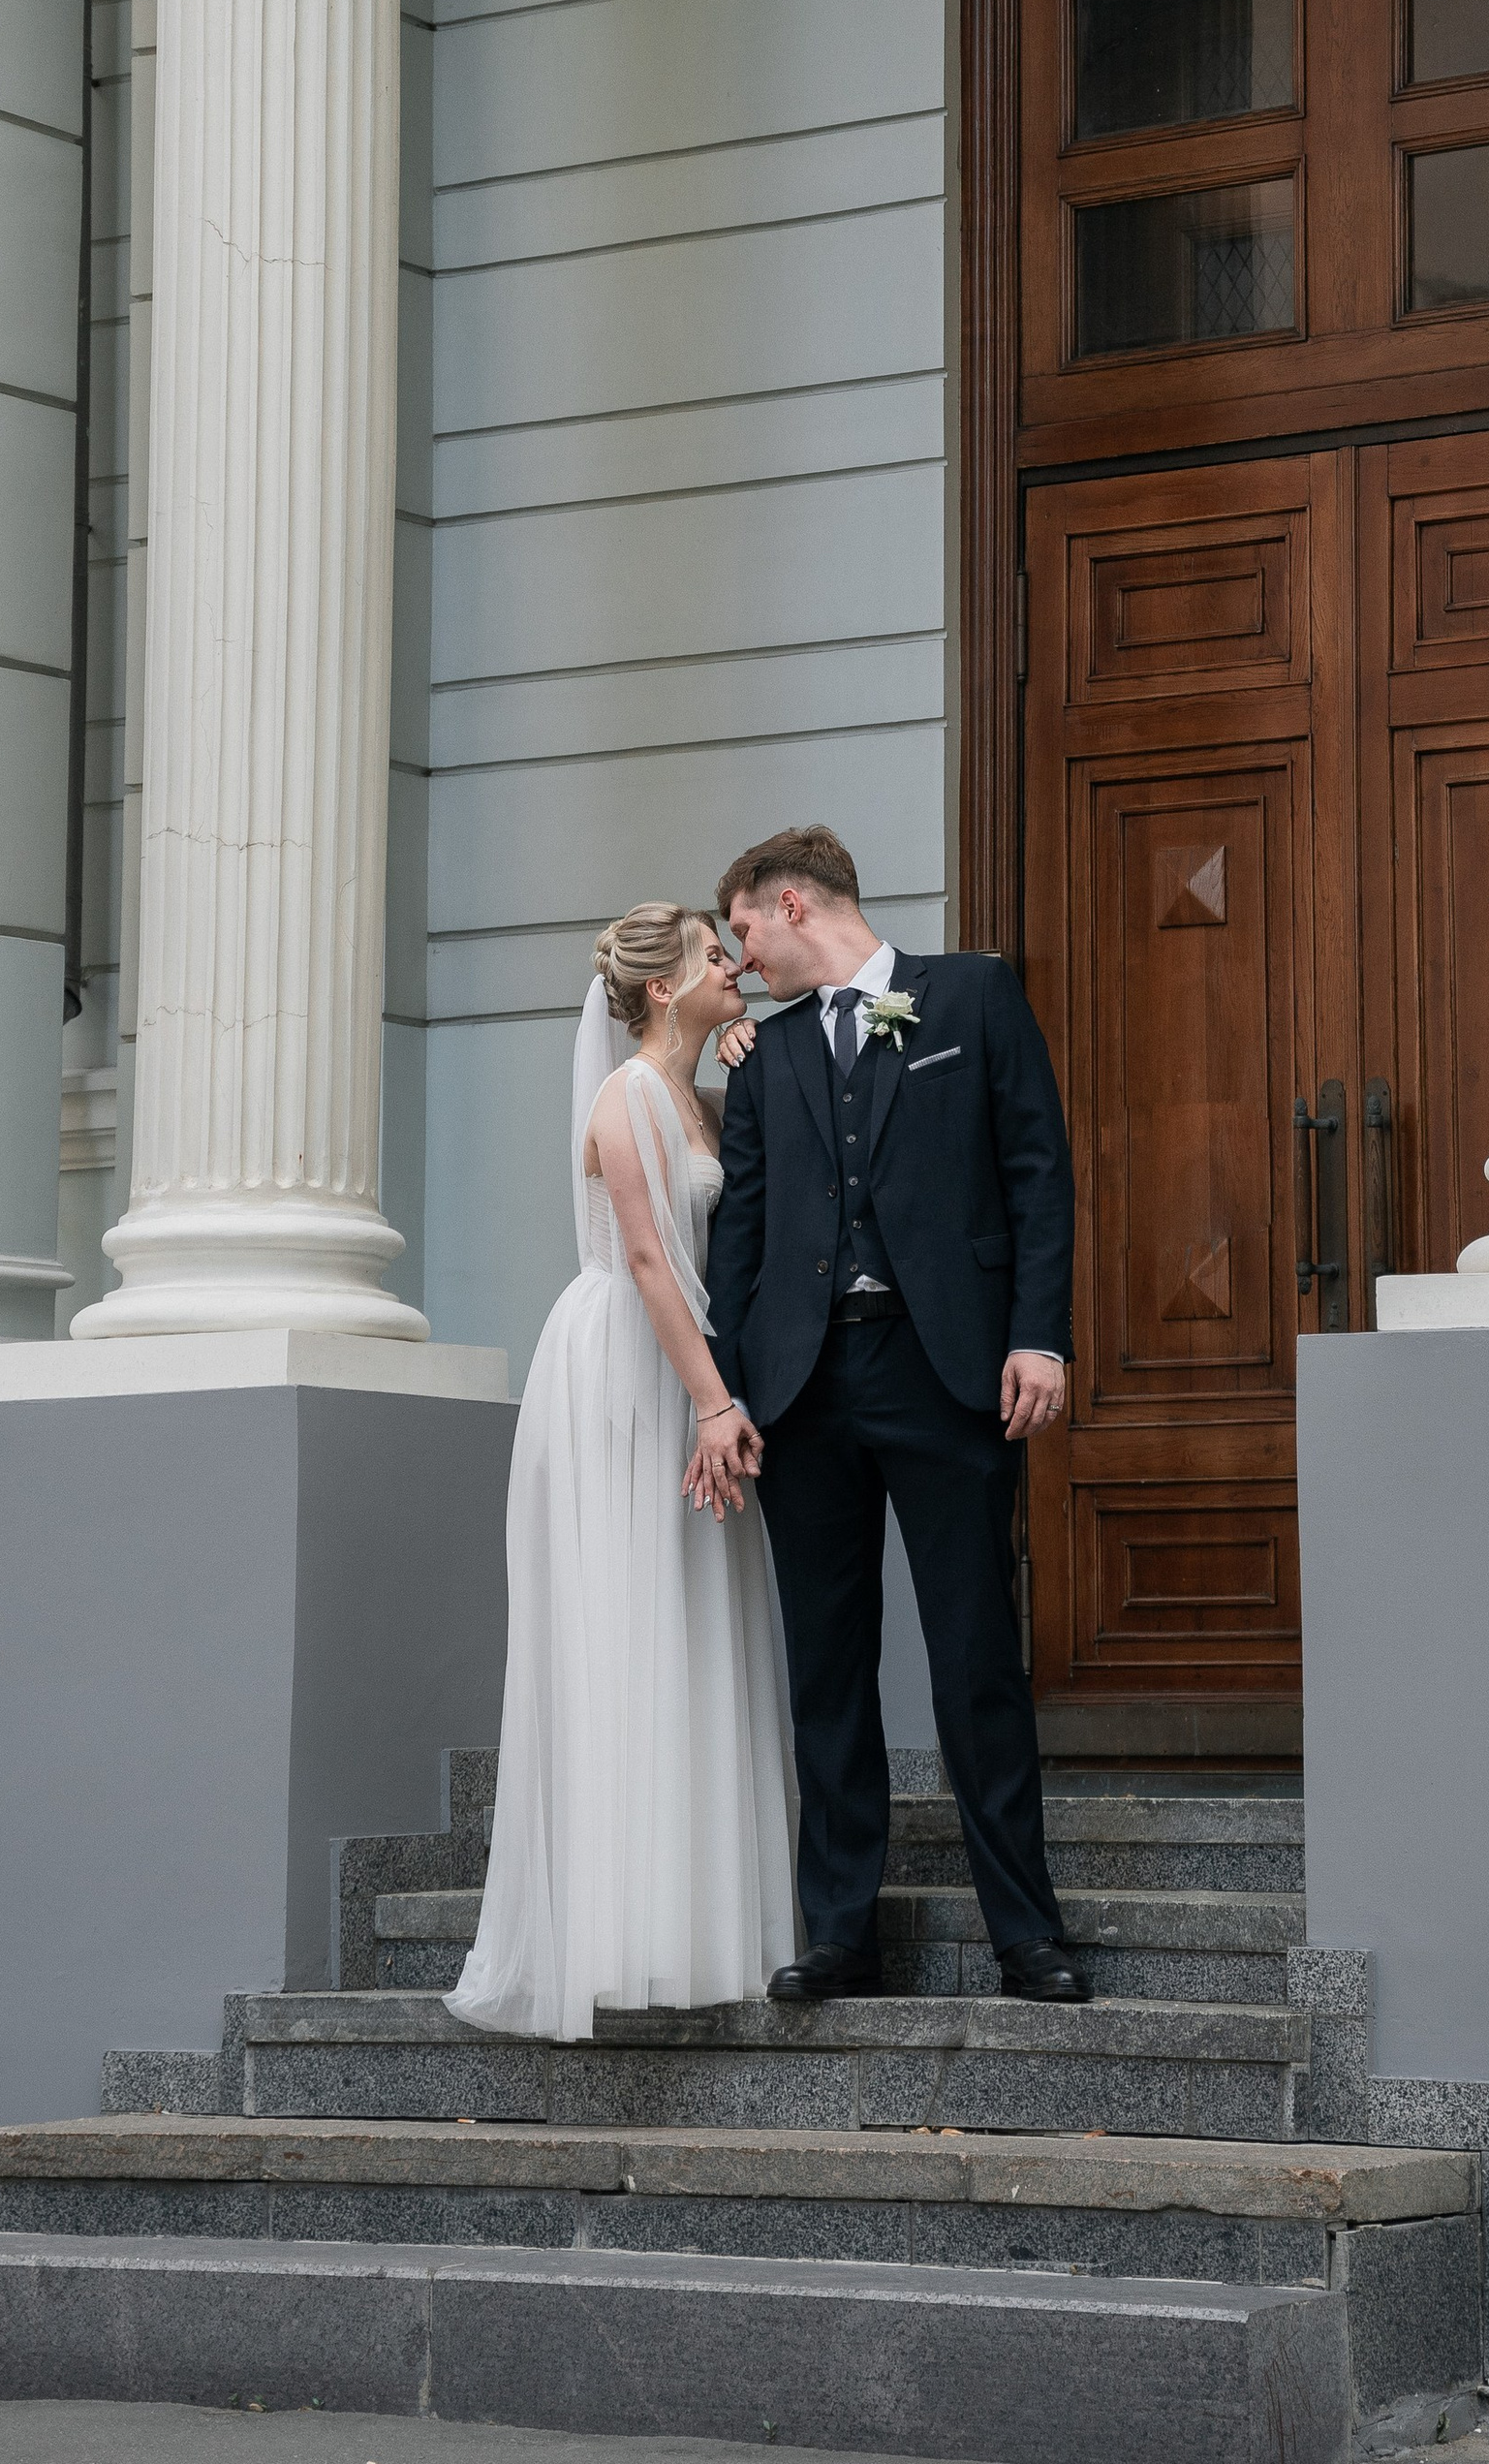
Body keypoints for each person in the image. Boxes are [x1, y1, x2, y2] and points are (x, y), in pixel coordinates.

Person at [695, 826, 1090, 2005]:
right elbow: (741, 1239)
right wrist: (726, 1390)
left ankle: (1027, 1933)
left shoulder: (966, 993)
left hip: (947, 1373)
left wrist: (1039, 1332)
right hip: (804, 1391)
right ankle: (838, 1933)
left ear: (795, 901)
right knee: (827, 1665)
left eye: (746, 930)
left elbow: (1037, 1171)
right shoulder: (758, 1059)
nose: (741, 954)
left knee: (975, 1658)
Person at [448, 904, 797, 2039]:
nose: (734, 965)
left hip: (685, 1369)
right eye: (714, 955)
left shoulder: (693, 1096)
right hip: (632, 1375)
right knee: (630, 1620)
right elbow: (649, 1256)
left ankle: (690, 1922)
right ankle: (622, 1931)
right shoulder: (629, 1097)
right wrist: (710, 1401)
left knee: (687, 1618)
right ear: (662, 988)